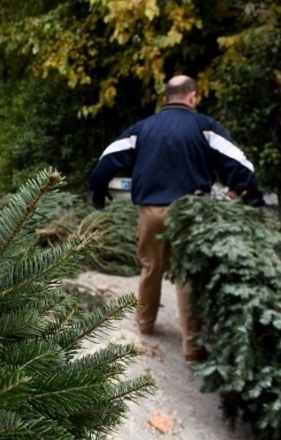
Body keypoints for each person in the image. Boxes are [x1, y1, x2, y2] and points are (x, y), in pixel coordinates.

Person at [87, 75, 264, 363]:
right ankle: (193, 348)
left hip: (152, 213)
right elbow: (240, 164)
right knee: (188, 275)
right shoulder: (205, 127)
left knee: (150, 267)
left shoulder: (143, 128)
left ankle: (145, 324)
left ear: (165, 98)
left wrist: (97, 188)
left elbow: (109, 156)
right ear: (192, 97)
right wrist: (251, 197)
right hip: (190, 213)